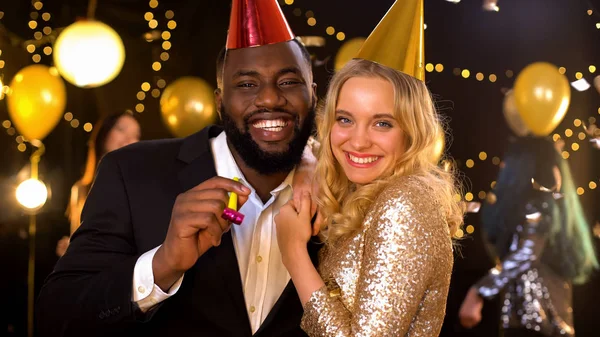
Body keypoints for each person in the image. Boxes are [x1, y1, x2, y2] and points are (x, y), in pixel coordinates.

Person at [37, 1, 320, 336]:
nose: (270, 99)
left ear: (313, 95)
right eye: (246, 84)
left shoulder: (346, 191)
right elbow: (56, 315)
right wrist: (162, 264)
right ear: (219, 101)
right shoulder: (131, 172)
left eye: (289, 82)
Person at [274, 1, 464, 335]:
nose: (357, 142)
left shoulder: (404, 205)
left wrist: (293, 254)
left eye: (382, 124)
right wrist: (308, 163)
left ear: (411, 132)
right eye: (345, 119)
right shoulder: (371, 193)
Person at [458, 137, 599, 337]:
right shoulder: (551, 206)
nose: (504, 165)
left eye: (510, 160)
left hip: (535, 321)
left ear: (523, 165)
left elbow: (525, 253)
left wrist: (479, 292)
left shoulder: (538, 206)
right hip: (544, 321)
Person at [56, 112, 141, 257]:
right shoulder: (80, 189)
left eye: (136, 136)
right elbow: (79, 239)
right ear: (104, 134)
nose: (128, 139)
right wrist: (71, 248)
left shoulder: (138, 188)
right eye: (121, 129)